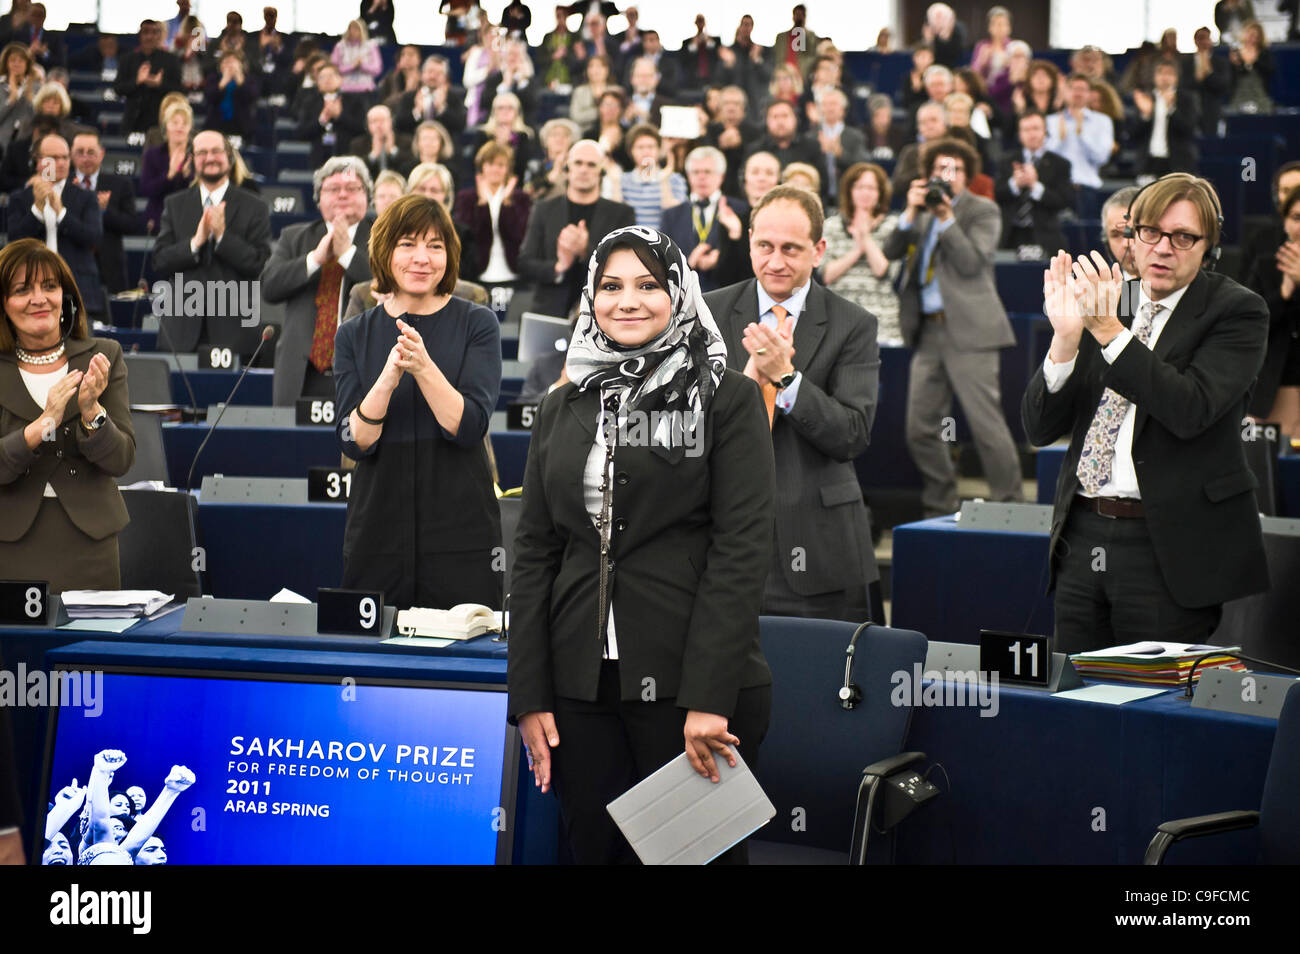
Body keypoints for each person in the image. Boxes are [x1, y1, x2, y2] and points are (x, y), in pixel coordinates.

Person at [509, 224, 775, 865]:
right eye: (610, 286)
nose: (627, 301)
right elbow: (535, 550)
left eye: (648, 285)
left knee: (690, 861)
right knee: (595, 853)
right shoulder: (561, 403)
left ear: (679, 294)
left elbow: (740, 552)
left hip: (690, 683)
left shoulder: (728, 398)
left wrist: (709, 698)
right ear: (590, 298)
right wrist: (529, 695)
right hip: (579, 687)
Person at [1022, 173, 1269, 654]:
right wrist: (1067, 339)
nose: (1162, 248)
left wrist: (1111, 333)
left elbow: (1189, 408)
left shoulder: (1237, 311)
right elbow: (1039, 428)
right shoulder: (1115, 301)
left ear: (1208, 246)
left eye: (1183, 237)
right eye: (1149, 233)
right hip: (1082, 532)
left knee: (1150, 710)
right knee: (1074, 700)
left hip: (1168, 543)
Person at [705, 185, 882, 621]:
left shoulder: (853, 324)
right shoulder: (707, 312)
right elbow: (690, 426)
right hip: (722, 543)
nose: (776, 261)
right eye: (764, 246)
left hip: (818, 553)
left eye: (791, 248)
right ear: (749, 242)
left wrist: (787, 379)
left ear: (819, 250)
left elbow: (852, 435)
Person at [333, 194, 503, 610]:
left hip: (460, 530)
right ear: (385, 251)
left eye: (435, 245)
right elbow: (355, 441)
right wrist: (388, 379)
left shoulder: (477, 322)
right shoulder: (353, 333)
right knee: (375, 663)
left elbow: (468, 426)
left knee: (461, 665)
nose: (421, 258)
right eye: (407, 244)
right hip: (378, 531)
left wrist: (424, 367)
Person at [884, 137, 1023, 516]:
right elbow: (889, 252)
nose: (947, 176)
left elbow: (970, 263)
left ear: (966, 175)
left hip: (971, 332)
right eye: (940, 170)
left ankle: (1010, 509)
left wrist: (947, 218)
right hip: (927, 332)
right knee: (920, 428)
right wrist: (910, 214)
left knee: (986, 426)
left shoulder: (983, 210)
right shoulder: (922, 211)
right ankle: (940, 503)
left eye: (954, 170)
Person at [0, 238, 135, 590]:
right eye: (21, 289)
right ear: (4, 304)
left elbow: (121, 460)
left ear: (66, 297)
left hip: (90, 545)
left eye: (49, 286)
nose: (39, 299)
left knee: (88, 645)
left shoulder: (104, 355)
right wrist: (42, 426)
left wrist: (92, 413)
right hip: (10, 543)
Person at [151, 130, 273, 360]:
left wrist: (222, 237)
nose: (209, 158)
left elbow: (261, 264)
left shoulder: (255, 206)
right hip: (180, 332)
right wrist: (195, 242)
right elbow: (159, 261)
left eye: (216, 151)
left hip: (235, 331)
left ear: (229, 156)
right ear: (192, 159)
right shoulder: (175, 204)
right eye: (202, 152)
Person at [264, 156, 374, 406]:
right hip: (301, 371)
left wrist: (347, 254)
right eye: (333, 189)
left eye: (352, 188)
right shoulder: (294, 237)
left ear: (367, 196)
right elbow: (269, 287)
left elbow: (389, 285)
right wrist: (314, 259)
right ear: (318, 197)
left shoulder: (382, 237)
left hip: (361, 371)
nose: (342, 195)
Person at [518, 139, 636, 318]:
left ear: (601, 171)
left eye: (591, 164)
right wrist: (559, 267)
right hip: (549, 312)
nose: (583, 169)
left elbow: (625, 268)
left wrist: (585, 252)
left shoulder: (621, 214)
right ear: (567, 168)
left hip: (603, 315)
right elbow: (525, 263)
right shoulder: (543, 209)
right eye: (578, 163)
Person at [9, 132, 107, 323]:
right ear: (38, 162)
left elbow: (94, 238)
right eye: (54, 158)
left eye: (64, 157)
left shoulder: (86, 197)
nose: (61, 163)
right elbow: (14, 240)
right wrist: (37, 210)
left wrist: (61, 212)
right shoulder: (19, 198)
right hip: (31, 289)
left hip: (78, 288)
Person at [822, 163, 901, 346]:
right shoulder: (831, 226)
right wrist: (857, 250)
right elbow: (827, 274)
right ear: (849, 191)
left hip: (882, 318)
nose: (865, 193)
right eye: (859, 187)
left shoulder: (893, 227)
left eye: (872, 188)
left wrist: (865, 237)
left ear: (880, 193)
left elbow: (883, 269)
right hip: (839, 316)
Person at [1242, 185, 1300, 435]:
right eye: (1296, 218)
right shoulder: (1265, 264)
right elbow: (1249, 327)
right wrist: (1285, 291)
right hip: (1273, 388)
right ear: (1285, 223)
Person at [72, 129, 143, 296]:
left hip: (110, 268)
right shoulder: (65, 185)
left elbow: (132, 224)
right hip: (72, 265)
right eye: (80, 152)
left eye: (91, 152)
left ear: (101, 154)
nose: (86, 158)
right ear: (71, 155)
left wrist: (104, 211)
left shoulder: (120, 184)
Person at [453, 141, 531, 290]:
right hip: (479, 273)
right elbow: (469, 236)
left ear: (508, 169)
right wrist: (482, 204)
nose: (495, 169)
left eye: (501, 165)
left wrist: (506, 203)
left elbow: (519, 235)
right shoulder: (467, 198)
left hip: (513, 272)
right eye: (490, 164)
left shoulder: (521, 198)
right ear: (482, 167)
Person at [995, 111, 1072, 253]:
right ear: (1019, 134)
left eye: (1036, 128)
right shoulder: (1006, 160)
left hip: (1045, 235)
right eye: (1026, 129)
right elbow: (996, 194)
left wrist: (1035, 186)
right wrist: (1015, 184)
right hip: (1010, 235)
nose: (1031, 134)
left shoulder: (1060, 164)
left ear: (1045, 132)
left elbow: (1063, 201)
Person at [601, 123, 686, 229]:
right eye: (640, 147)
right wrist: (616, 183)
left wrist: (664, 182)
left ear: (659, 150)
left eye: (651, 147)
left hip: (663, 241)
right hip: (630, 241)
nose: (646, 152)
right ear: (631, 151)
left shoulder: (675, 179)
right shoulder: (621, 179)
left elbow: (676, 217)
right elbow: (614, 217)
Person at [1133, 60, 1200, 177]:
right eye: (1161, 73)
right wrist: (1146, 115)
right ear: (1154, 76)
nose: (1165, 77)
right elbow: (1132, 134)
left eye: (1169, 73)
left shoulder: (1186, 99)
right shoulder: (1146, 98)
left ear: (1176, 77)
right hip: (1148, 163)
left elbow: (1189, 130)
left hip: (1177, 164)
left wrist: (1171, 109)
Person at [114, 20, 182, 134]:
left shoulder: (171, 60)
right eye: (145, 32)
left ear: (159, 36)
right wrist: (136, 81)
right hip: (132, 122)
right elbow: (118, 89)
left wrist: (160, 85)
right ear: (139, 35)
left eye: (154, 32)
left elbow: (180, 91)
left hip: (160, 122)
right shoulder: (127, 59)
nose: (149, 37)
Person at [296, 62, 366, 168]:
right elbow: (301, 133)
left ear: (341, 79)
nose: (327, 79)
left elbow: (362, 129)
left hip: (348, 156)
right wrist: (321, 120)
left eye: (332, 75)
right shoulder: (310, 102)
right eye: (322, 77)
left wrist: (340, 116)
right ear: (317, 83)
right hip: (319, 158)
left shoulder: (354, 100)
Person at [139, 98, 193, 233]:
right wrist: (169, 175)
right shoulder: (152, 154)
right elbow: (146, 190)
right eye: (175, 123)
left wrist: (187, 176)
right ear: (166, 126)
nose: (180, 127)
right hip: (158, 219)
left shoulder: (198, 155)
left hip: (190, 220)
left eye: (184, 123)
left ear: (190, 128)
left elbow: (203, 193)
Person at [394, 55, 466, 137]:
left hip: (446, 146)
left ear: (445, 78)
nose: (433, 76)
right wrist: (417, 111)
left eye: (438, 73)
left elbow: (460, 126)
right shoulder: (409, 97)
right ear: (422, 75)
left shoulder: (454, 97)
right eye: (430, 72)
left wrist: (441, 109)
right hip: (413, 144)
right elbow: (398, 125)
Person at [891, 100, 949, 197]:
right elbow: (897, 185)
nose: (929, 126)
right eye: (923, 122)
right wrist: (924, 168)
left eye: (933, 120)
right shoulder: (910, 152)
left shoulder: (955, 150)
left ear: (945, 123)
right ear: (918, 127)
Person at [1185, 26, 1231, 136]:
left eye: (1207, 38)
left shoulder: (1221, 62)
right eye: (1201, 38)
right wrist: (1198, 78)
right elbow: (1183, 85)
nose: (1204, 42)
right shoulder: (1185, 62)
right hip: (1190, 110)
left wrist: (1209, 73)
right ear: (1195, 40)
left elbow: (1223, 85)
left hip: (1212, 110)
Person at [204, 50, 259, 141]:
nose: (230, 65)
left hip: (242, 127)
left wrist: (239, 80)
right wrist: (223, 82)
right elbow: (209, 97)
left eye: (233, 62)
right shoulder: (213, 78)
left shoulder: (250, 79)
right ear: (220, 65)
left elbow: (251, 97)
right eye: (226, 62)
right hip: (216, 125)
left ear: (241, 64)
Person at [351, 104, 413, 179]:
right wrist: (373, 155)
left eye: (382, 120)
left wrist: (393, 151)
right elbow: (356, 169)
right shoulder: (358, 144)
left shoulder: (406, 141)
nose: (378, 125)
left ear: (391, 121)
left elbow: (410, 166)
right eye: (374, 121)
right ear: (367, 125)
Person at [1227, 20, 1274, 114]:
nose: (1253, 39)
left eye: (1256, 36)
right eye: (1250, 35)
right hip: (1240, 93)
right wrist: (1236, 64)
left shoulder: (1264, 53)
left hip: (1259, 93)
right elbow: (1230, 76)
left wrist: (1255, 60)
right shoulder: (1236, 53)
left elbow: (1270, 70)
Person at [331, 18, 382, 95]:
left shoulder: (371, 45)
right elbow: (334, 69)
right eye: (351, 28)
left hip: (366, 89)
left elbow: (377, 69)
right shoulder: (340, 46)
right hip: (345, 89)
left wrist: (362, 65)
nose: (353, 31)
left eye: (357, 28)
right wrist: (352, 66)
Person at [1101, 185, 1141, 280]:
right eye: (1116, 235)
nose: (1126, 244)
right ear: (1107, 242)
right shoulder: (1102, 291)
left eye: (1134, 232)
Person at [568, 54, 612, 129]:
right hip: (584, 132)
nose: (595, 70)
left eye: (599, 66)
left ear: (607, 70)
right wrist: (599, 112)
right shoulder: (580, 91)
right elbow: (576, 116)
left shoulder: (614, 90)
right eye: (591, 66)